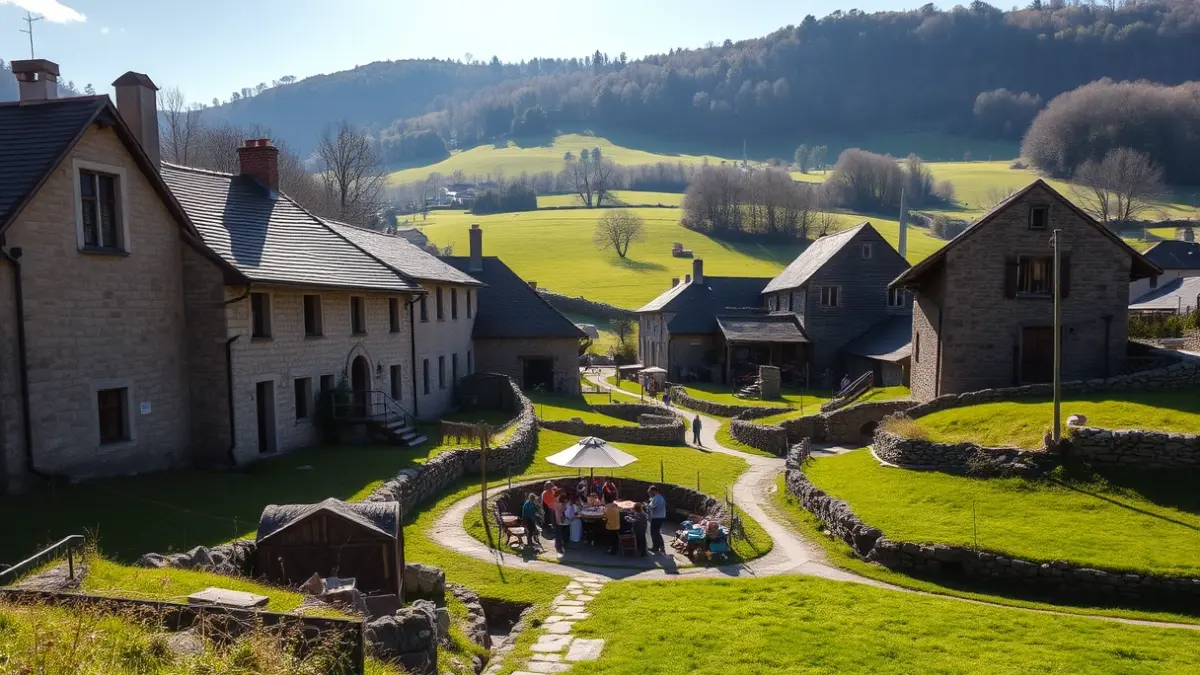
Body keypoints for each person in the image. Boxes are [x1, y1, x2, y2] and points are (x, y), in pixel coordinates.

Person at [647, 485, 667, 553]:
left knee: (654, 532)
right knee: (656, 532)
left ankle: (656, 547)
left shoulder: (657, 498)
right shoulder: (657, 497)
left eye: (650, 493)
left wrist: (645, 505)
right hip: (659, 516)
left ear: (654, 491)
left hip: (657, 517)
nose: (649, 494)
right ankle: (660, 546)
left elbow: (651, 506)